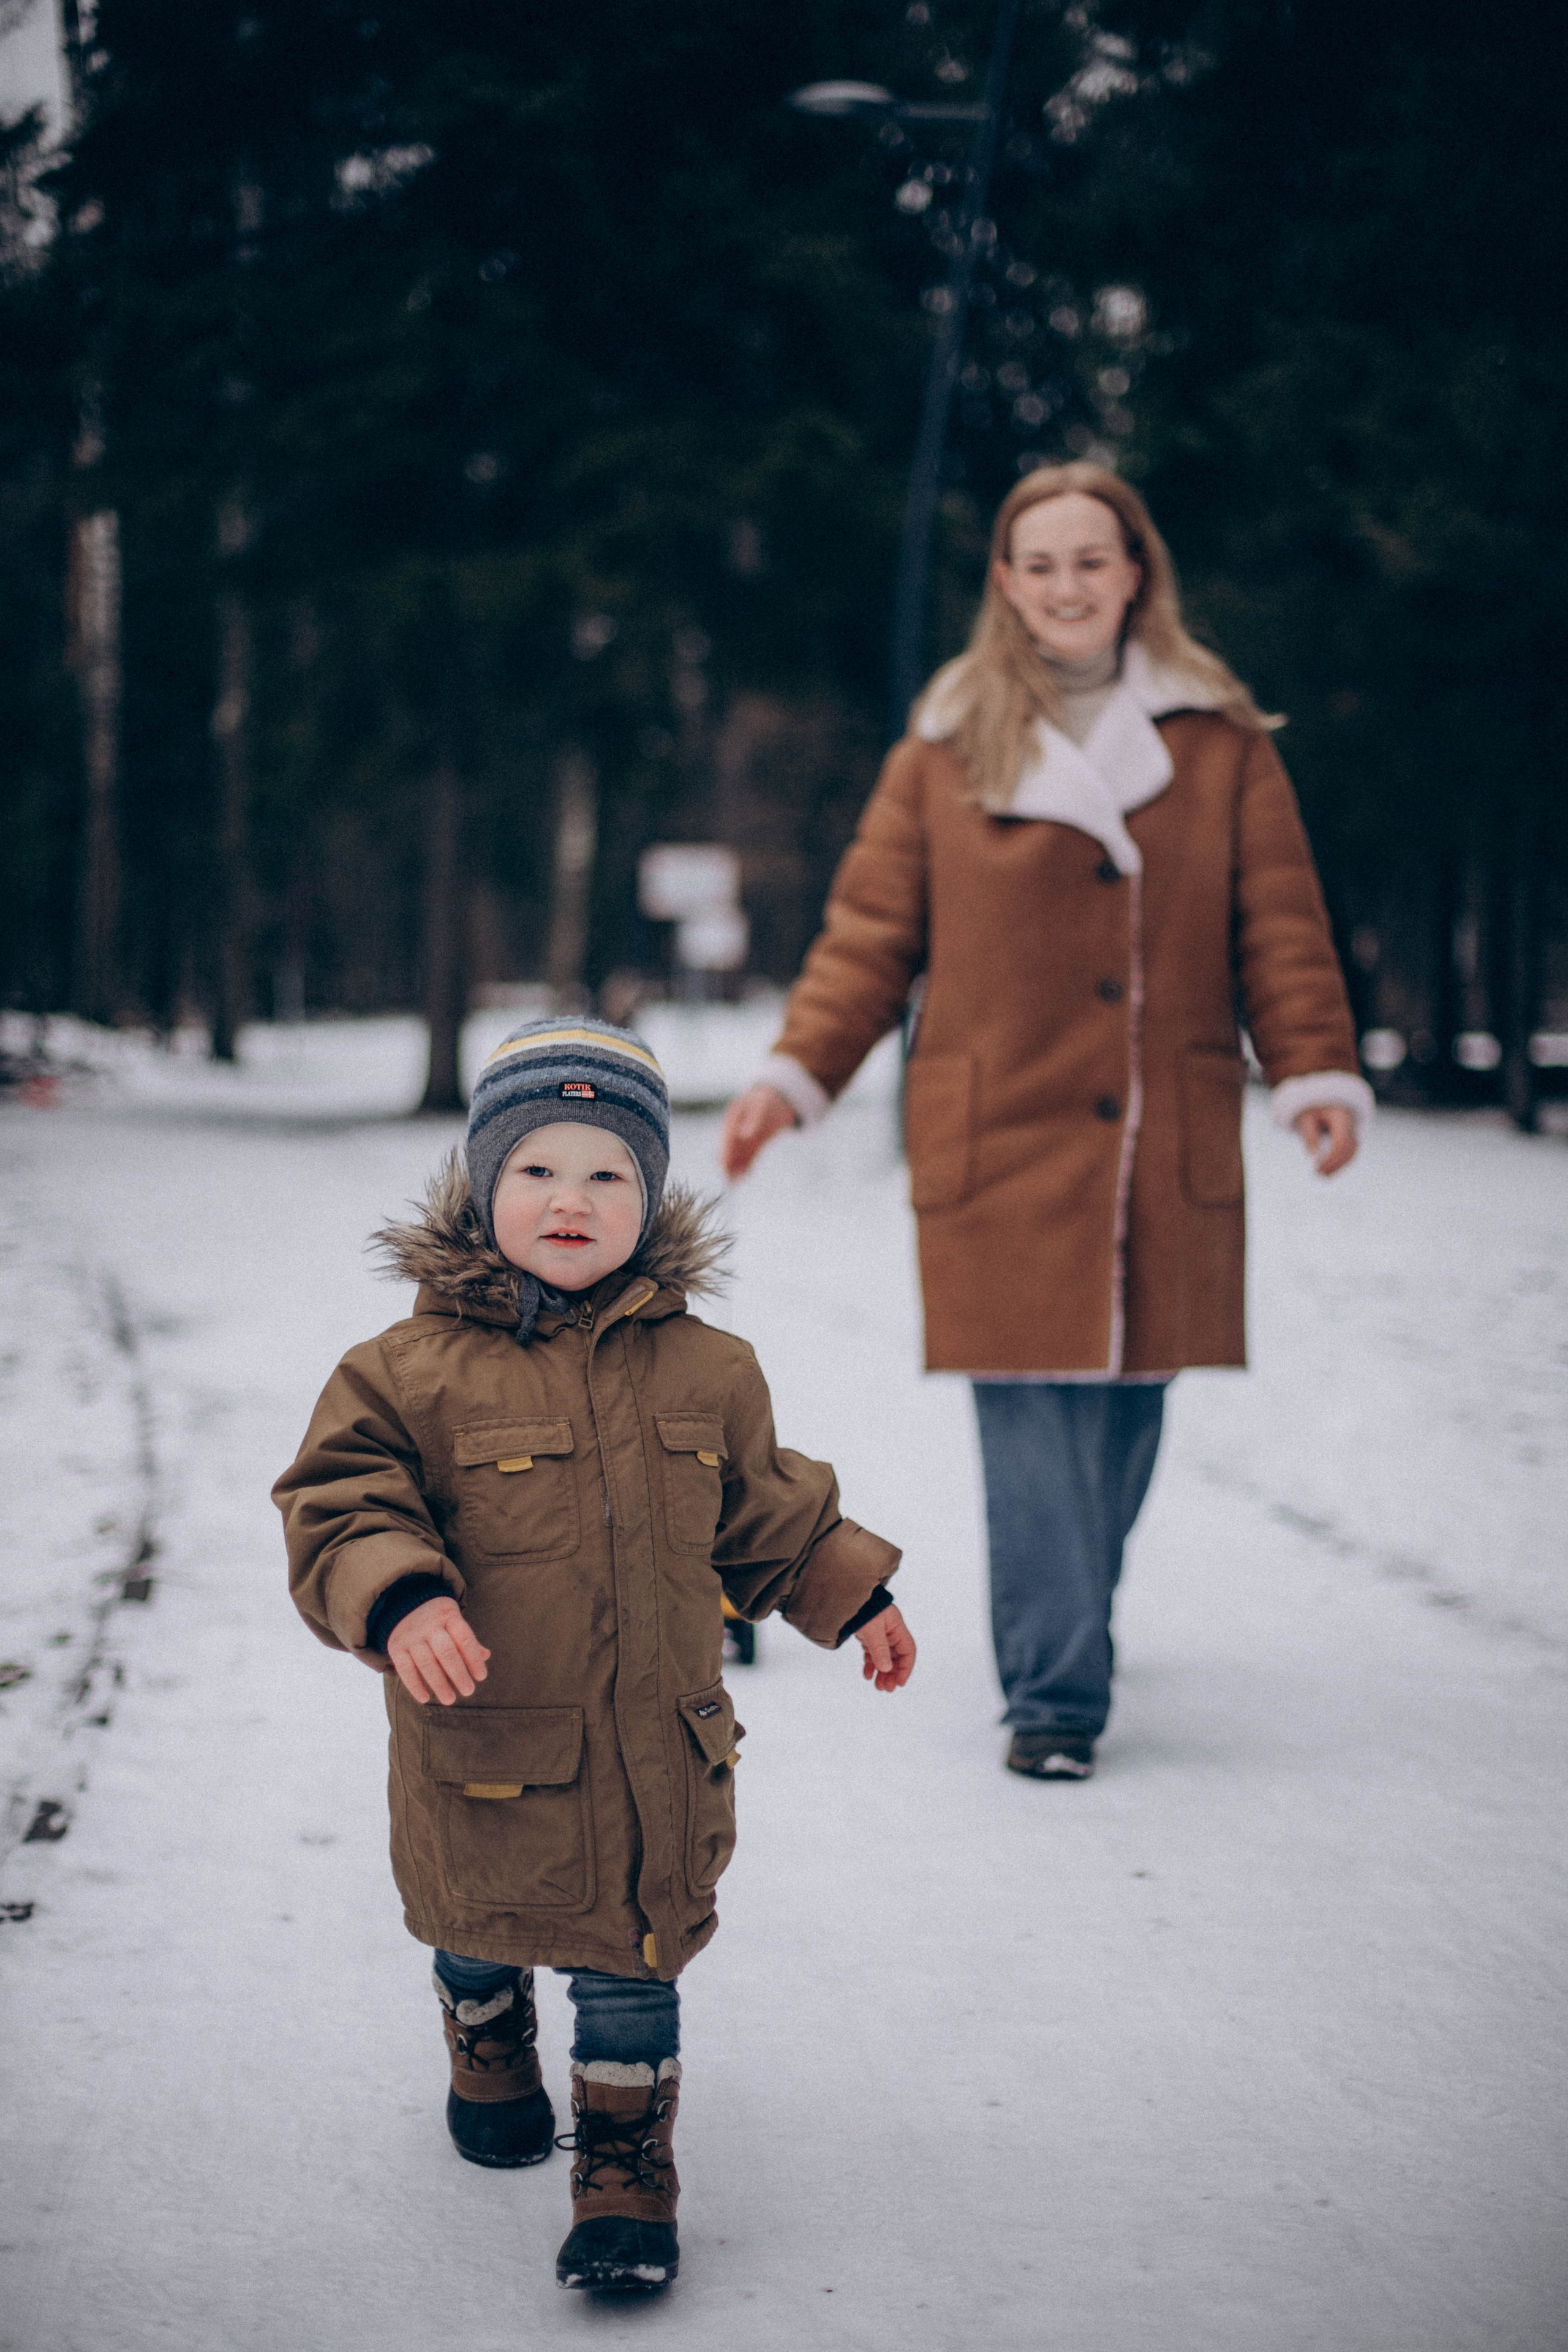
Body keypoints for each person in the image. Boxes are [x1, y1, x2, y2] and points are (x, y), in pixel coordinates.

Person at [722, 462, 1368, 1783]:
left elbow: (1280, 927)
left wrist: (1310, 1072)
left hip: (1155, 1131)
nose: (1066, 585)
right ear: (1004, 584)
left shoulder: (1218, 742)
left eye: (1092, 559)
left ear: (1135, 573)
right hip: (996, 1130)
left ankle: (1074, 1614)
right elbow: (866, 936)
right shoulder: (944, 747)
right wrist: (792, 1075)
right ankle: (1056, 1695)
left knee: (1126, 1414)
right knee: (1027, 1421)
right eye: (1039, 562)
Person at [274, 1018, 914, 2293]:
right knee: (477, 1922)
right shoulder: (404, 1372)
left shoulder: (709, 1368)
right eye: (535, 1171)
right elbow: (341, 1504)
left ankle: (623, 2170)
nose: (570, 1200)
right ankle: (482, 2030)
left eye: (607, 1174)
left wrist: (851, 1594)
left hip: (651, 1752)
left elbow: (767, 1513)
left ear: (652, 1196)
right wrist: (400, 1601)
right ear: (479, 1184)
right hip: (488, 1744)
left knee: (634, 1959)